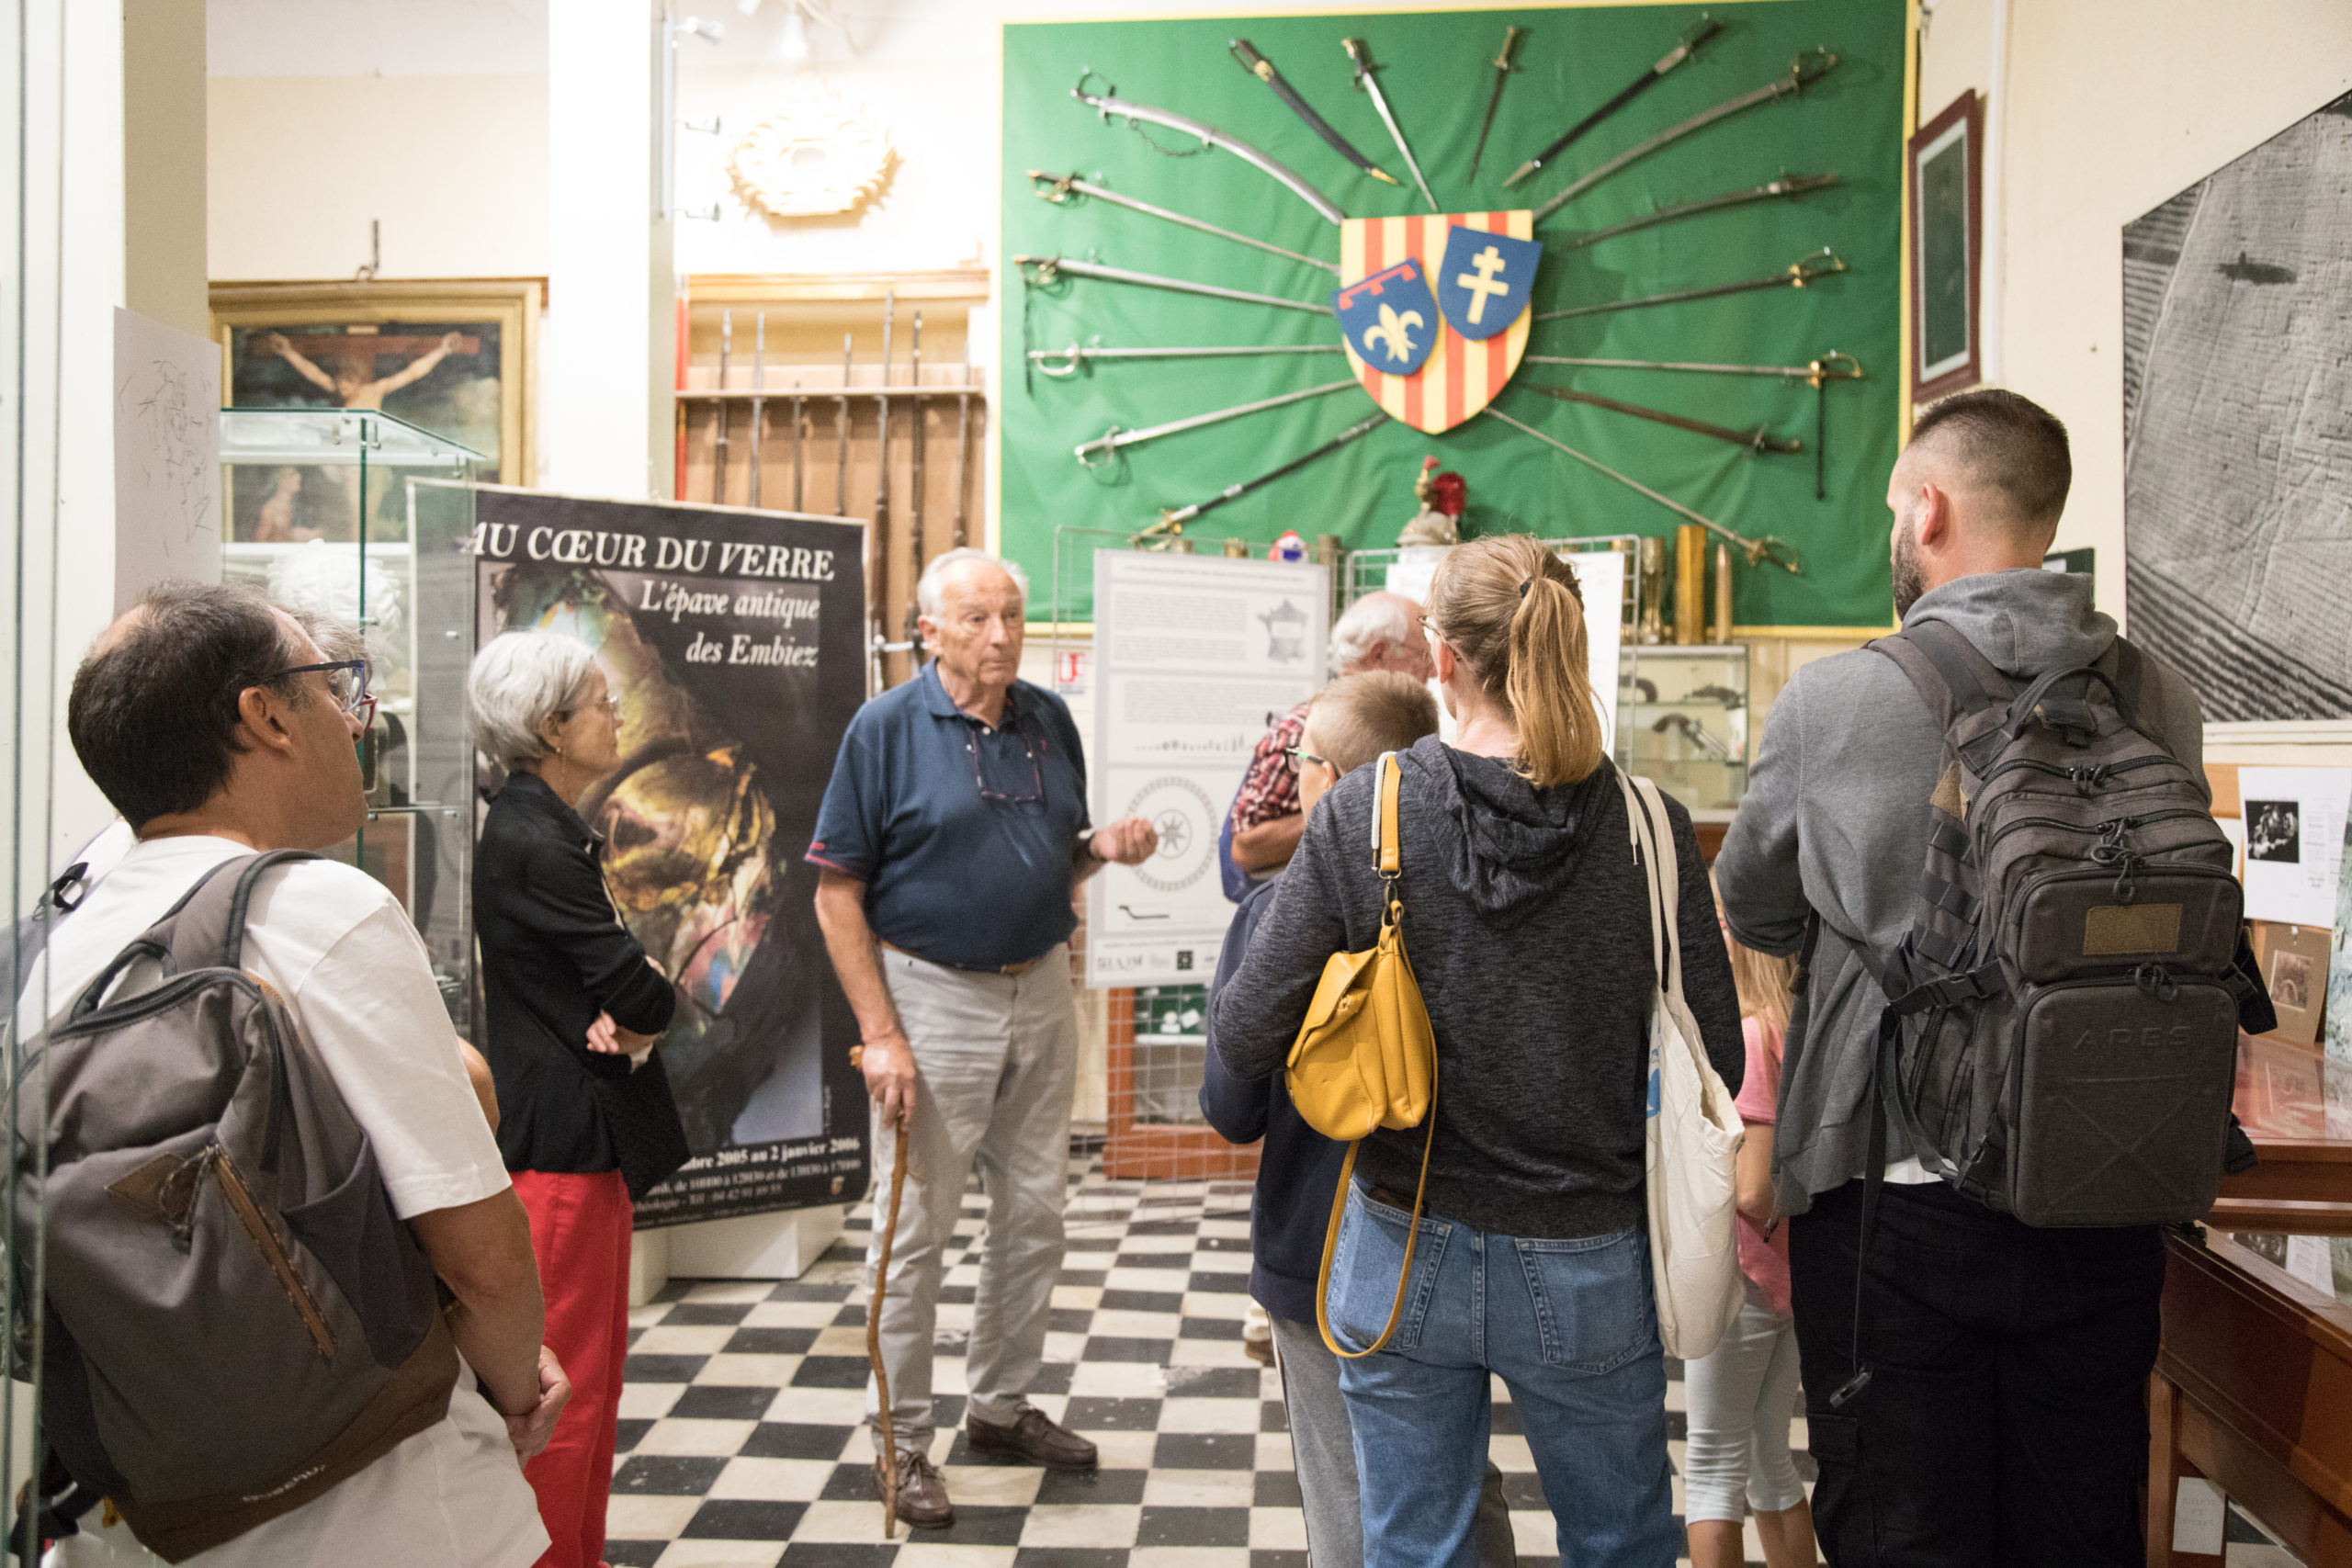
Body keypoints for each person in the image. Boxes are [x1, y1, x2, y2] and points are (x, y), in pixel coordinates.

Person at [1714, 389, 2209, 1567]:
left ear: (1926, 510)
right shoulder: (2158, 697)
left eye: (1896, 509)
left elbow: (1752, 903)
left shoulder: (1836, 699)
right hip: (2106, 1171)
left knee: (1901, 1526)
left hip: (1890, 1186)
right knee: (2080, 1522)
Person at [1209, 536, 1743, 1568]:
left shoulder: (1369, 809)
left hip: (1402, 1239)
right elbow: (1713, 1053)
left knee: (1415, 1547)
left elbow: (1243, 1033)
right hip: (1591, 1250)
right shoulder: (1649, 827)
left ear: (1442, 660)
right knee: (1622, 1543)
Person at [31, 582, 566, 1568]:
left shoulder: (51, 946)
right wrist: (516, 1389)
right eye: (335, 686)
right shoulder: (319, 909)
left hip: (151, 1515)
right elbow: (480, 1260)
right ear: (265, 716)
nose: (357, 719)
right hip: (385, 1505)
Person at [808, 547, 1159, 1528]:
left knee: (1035, 1215)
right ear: (929, 631)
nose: (1001, 635)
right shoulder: (885, 728)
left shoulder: (1047, 718)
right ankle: (902, 1441)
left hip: (1039, 987)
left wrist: (1099, 849)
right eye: (976, 618)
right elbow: (837, 894)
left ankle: (999, 1407)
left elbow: (1053, 857)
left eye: (1012, 614)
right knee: (913, 1231)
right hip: (929, 999)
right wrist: (880, 1033)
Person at [1200, 671, 1518, 1568]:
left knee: (1349, 1500)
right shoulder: (1486, 895)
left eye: (1300, 760)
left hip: (1320, 1243)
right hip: (1459, 1232)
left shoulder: (1273, 913)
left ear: (1331, 782)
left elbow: (1230, 1109)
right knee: (1459, 1482)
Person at [470, 630, 687, 1568]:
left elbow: (631, 994)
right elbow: (642, 991)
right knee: (562, 1393)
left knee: (590, 1385)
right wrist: (647, 1001)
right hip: (557, 1151)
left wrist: (638, 1005)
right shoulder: (535, 839)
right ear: (551, 727)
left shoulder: (544, 825)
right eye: (600, 701)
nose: (617, 712)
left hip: (578, 1138)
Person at [1681, 895, 1816, 1568]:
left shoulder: (1753, 1039)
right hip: (1791, 1273)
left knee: (1711, 1465)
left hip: (1744, 1274)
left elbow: (1754, 1188)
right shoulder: (1799, 1030)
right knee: (1768, 1458)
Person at [1227, 590, 1435, 881]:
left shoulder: (1401, 722)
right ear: (1378, 654)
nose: (1433, 671)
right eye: (1423, 654)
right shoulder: (1303, 726)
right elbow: (1244, 850)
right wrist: (1353, 806)